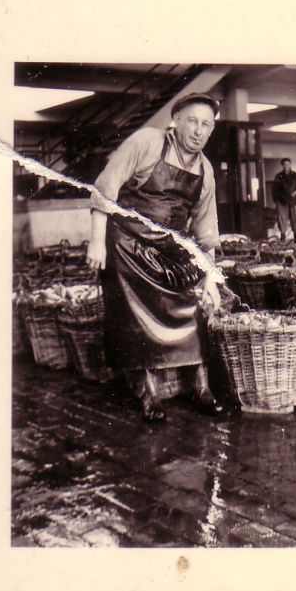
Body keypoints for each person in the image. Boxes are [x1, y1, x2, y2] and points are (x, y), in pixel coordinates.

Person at [86, 93, 223, 423]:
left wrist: (210, 278)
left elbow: (206, 229)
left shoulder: (205, 168)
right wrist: (96, 242)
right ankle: (148, 392)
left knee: (195, 304)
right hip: (125, 244)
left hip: (171, 249)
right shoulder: (147, 142)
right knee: (133, 318)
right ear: (176, 120)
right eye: (192, 121)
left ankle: (200, 387)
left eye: (206, 125)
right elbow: (106, 187)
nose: (198, 131)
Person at [272, 158, 296, 242]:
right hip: (282, 201)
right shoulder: (278, 176)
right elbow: (274, 189)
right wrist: (277, 201)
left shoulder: (295, 175)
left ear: (290, 165)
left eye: (288, 164)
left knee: (295, 219)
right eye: (285, 164)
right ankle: (283, 238)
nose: (287, 166)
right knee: (282, 219)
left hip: (294, 201)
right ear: (282, 165)